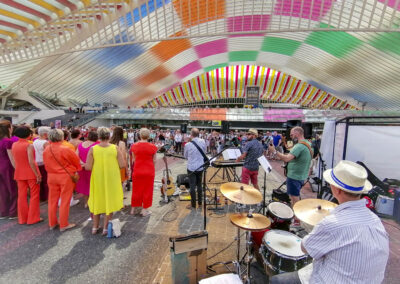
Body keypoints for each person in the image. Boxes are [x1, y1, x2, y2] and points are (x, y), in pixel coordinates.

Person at [270, 160, 389, 284]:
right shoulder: (376, 220)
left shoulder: (333, 223)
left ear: (336, 190)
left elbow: (305, 248)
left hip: (330, 279)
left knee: (276, 281)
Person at [86, 127, 124, 235]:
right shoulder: (115, 148)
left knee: (97, 200)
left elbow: (88, 167)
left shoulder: (93, 149)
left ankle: (94, 227)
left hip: (97, 178)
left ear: (99, 136)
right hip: (111, 177)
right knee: (109, 200)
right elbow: (122, 165)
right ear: (109, 136)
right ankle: (106, 228)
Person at [43, 129, 81, 231]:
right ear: (61, 137)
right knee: (64, 200)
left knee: (52, 200)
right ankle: (63, 224)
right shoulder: (65, 149)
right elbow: (76, 162)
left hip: (51, 176)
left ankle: (52, 223)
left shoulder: (47, 149)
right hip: (65, 176)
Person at [269, 126, 312, 207]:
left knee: (294, 198)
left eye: (292, 135)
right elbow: (296, 157)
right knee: (295, 196)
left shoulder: (299, 146)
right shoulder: (308, 144)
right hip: (301, 176)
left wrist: (274, 151)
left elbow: (287, 159)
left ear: (297, 134)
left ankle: (296, 217)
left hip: (294, 177)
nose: (291, 137)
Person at [11, 126, 42, 225]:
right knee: (34, 196)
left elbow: (15, 160)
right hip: (31, 173)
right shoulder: (29, 145)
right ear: (29, 134)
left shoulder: (14, 144)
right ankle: (33, 218)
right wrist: (37, 174)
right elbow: (31, 162)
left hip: (19, 172)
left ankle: (23, 218)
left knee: (21, 196)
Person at [130, 128, 158, 216]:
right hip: (149, 170)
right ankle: (144, 210)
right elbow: (154, 160)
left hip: (137, 170)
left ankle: (133, 209)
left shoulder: (134, 146)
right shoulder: (153, 146)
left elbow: (134, 159)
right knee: (147, 190)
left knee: (136, 189)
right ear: (148, 136)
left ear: (140, 135)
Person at [184, 128, 206, 209]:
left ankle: (193, 205)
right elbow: (205, 152)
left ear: (191, 135)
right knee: (199, 185)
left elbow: (185, 156)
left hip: (191, 167)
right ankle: (200, 203)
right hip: (200, 166)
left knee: (192, 186)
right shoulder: (203, 141)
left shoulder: (187, 145)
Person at [75, 131, 99, 208]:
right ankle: (93, 202)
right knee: (93, 186)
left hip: (82, 168)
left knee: (85, 185)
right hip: (92, 168)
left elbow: (75, 156)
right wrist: (87, 164)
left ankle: (86, 202)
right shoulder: (96, 145)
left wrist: (82, 163)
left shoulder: (81, 144)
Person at [0, 120, 17, 219]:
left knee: (2, 191)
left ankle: (3, 212)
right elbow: (11, 158)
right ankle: (12, 212)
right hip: (7, 167)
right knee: (13, 189)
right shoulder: (8, 141)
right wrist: (17, 169)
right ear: (8, 129)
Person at [33, 126, 51, 201]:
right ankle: (46, 196)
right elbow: (49, 154)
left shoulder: (35, 141)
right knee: (45, 181)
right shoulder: (45, 142)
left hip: (37, 162)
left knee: (40, 181)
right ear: (45, 134)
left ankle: (41, 196)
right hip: (44, 163)